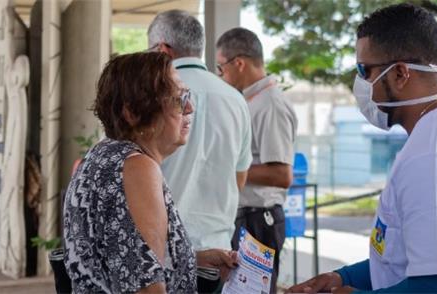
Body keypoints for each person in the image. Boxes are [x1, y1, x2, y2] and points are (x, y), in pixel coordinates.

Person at [288, 3, 437, 293]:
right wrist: (344, 278)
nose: (360, 83)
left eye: (364, 70)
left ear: (400, 73)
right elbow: (407, 259)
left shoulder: (434, 154)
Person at [63, 52, 237, 293]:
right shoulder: (137, 168)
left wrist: (191, 260)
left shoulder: (103, 155)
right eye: (178, 99)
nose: (189, 108)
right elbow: (145, 288)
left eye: (188, 96)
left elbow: (124, 261)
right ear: (133, 112)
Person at [147, 11, 253, 258]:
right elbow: (239, 178)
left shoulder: (151, 94)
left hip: (164, 252)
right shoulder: (236, 100)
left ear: (162, 50)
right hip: (219, 252)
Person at [216, 28, 298, 293]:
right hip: (246, 218)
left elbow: (281, 175)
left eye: (221, 68)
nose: (221, 76)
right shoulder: (251, 101)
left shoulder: (270, 104)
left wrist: (228, 166)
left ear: (238, 63)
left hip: (259, 220)